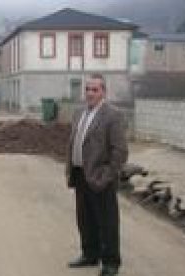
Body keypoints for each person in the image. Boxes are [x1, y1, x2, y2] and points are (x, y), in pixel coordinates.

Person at [66, 74, 128, 276]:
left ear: (103, 92)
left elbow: (120, 151)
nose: (90, 93)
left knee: (107, 222)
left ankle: (111, 263)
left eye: (95, 89)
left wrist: (107, 175)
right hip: (80, 174)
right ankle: (90, 254)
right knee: (85, 219)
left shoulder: (113, 115)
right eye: (88, 89)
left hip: (100, 177)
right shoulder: (79, 113)